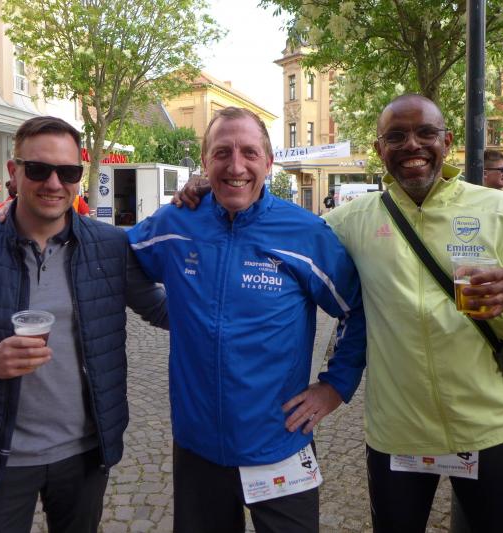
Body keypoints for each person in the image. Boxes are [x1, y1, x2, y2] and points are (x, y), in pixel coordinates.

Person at [176, 96, 503, 533]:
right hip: (398, 437)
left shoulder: (498, 210)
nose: (412, 145)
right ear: (380, 150)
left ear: (447, 141)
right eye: (396, 136)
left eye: (426, 133)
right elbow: (275, 227)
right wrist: (213, 190)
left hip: (486, 429)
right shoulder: (352, 221)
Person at [0, 116, 168, 533]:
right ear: (14, 172)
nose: (53, 183)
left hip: (85, 454)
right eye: (38, 169)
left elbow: (164, 311)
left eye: (68, 172)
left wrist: (206, 210)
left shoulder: (110, 246)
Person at [134, 106, 366, 533]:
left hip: (280, 442)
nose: (236, 166)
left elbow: (357, 309)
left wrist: (335, 386)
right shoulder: (177, 222)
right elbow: (113, 257)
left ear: (269, 162)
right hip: (198, 445)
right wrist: (166, 310)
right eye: (222, 153)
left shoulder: (305, 233)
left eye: (249, 153)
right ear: (205, 162)